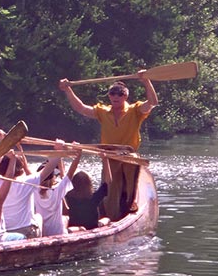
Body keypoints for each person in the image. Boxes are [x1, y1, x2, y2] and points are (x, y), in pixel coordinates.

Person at [60, 71, 159, 219]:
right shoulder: (103, 111)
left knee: (129, 183)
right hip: (109, 155)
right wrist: (67, 89)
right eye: (112, 93)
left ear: (125, 96)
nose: (115, 97)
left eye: (119, 94)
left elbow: (152, 102)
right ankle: (111, 216)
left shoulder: (135, 110)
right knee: (111, 188)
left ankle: (129, 205)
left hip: (128, 154)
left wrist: (146, 81)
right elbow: (80, 108)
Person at [32, 147, 82, 237]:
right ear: (53, 178)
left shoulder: (33, 189)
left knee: (65, 218)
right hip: (58, 233)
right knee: (66, 219)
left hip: (43, 234)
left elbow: (26, 170)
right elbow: (71, 172)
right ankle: (80, 229)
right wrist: (78, 153)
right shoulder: (57, 191)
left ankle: (75, 229)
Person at [65, 158, 112, 231]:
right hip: (93, 227)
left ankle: (77, 229)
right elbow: (108, 181)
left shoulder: (69, 195)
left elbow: (65, 178)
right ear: (89, 184)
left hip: (74, 226)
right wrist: (105, 159)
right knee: (107, 219)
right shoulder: (94, 198)